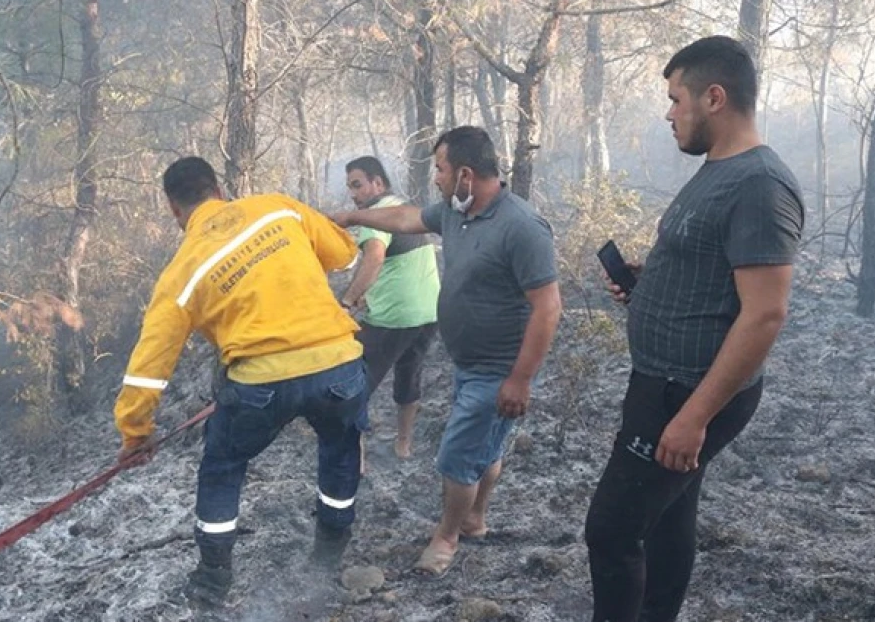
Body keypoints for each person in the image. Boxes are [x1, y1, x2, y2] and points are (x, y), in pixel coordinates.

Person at [583, 36, 805, 622]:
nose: (669, 113)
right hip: (664, 383)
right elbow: (712, 263)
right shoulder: (719, 171)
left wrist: (693, 418)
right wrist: (650, 278)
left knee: (610, 531)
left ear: (713, 97)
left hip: (685, 393)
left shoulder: (760, 185)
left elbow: (765, 313)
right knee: (666, 518)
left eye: (675, 99)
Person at [112, 156, 369, 607]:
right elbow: (345, 253)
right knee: (339, 449)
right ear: (219, 188)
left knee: (223, 469)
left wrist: (136, 433)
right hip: (337, 365)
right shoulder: (279, 208)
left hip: (259, 384)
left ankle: (213, 581)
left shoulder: (182, 269)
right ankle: (329, 555)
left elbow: (148, 365)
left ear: (174, 209)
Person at [331, 126, 562, 575]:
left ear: (466, 175)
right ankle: (474, 519)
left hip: (500, 367)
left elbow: (549, 309)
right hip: (468, 361)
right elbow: (407, 219)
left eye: (440, 169)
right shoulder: (458, 213)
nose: (435, 178)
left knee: (457, 456)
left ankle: (447, 536)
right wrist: (353, 218)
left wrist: (520, 379)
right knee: (487, 448)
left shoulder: (522, 227)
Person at [338, 156, 440, 462]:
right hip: (428, 312)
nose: (353, 195)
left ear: (377, 183)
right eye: (349, 187)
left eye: (357, 185)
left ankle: (355, 458)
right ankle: (403, 446)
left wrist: (347, 300)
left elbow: (375, 257)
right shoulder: (401, 206)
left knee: (353, 384)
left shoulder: (375, 214)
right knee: (410, 376)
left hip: (394, 317)